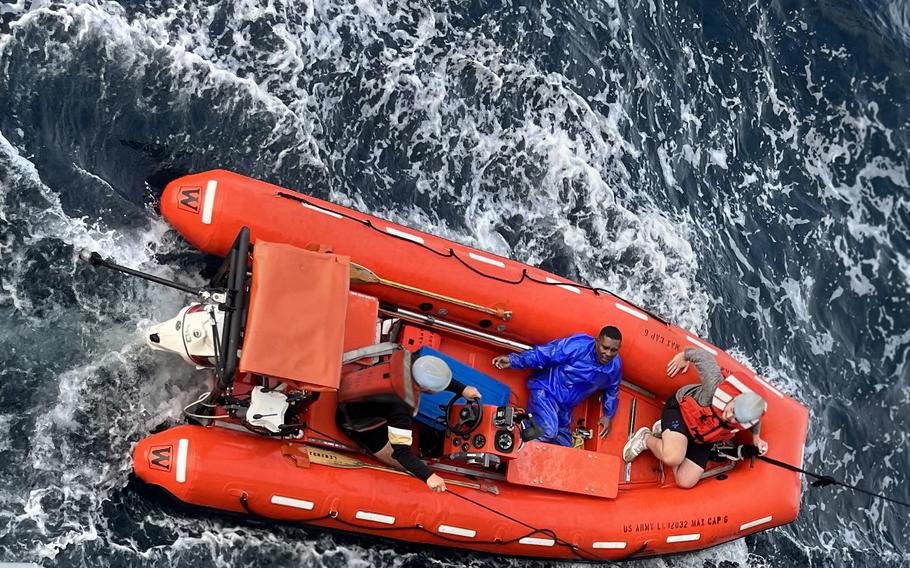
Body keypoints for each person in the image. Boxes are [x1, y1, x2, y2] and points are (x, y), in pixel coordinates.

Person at [622, 347, 769, 489]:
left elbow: (755, 420)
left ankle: (670, 438)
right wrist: (684, 356)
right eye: (732, 410)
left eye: (736, 419)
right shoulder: (714, 387)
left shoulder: (748, 417)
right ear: (735, 399)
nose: (729, 416)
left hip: (703, 437)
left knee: (685, 481)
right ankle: (645, 438)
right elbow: (704, 357)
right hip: (681, 413)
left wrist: (756, 438)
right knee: (672, 457)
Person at [338, 355, 480, 493]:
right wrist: (428, 476)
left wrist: (462, 389)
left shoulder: (411, 360)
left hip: (355, 392)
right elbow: (401, 453)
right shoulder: (402, 406)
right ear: (425, 388)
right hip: (355, 422)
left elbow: (430, 374)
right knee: (400, 462)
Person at [492, 326, 622, 446]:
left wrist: (608, 415)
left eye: (614, 350)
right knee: (548, 431)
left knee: (565, 443)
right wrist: (514, 360)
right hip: (546, 391)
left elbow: (613, 388)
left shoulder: (615, 367)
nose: (608, 354)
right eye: (605, 347)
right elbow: (545, 354)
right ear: (597, 341)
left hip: (565, 407)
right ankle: (509, 438)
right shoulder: (577, 346)